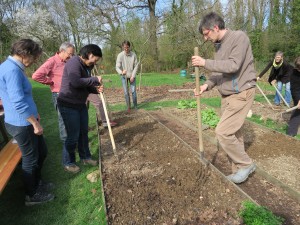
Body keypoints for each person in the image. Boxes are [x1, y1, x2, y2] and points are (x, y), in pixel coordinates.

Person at [191, 12, 256, 184]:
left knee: (222, 132)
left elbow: (233, 65)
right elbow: (219, 72)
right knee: (235, 133)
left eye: (206, 34)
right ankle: (238, 171)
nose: (206, 38)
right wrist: (206, 85)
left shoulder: (239, 38)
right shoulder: (219, 46)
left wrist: (205, 62)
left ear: (215, 28)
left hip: (241, 92)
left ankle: (246, 164)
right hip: (226, 96)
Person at [0, 39, 54, 205]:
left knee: (41, 152)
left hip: (25, 120)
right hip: (22, 123)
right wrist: (34, 122)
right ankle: (32, 195)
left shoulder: (11, 67)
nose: (34, 61)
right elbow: (17, 101)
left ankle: (37, 184)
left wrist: (34, 115)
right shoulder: (12, 70)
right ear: (25, 54)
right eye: (34, 57)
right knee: (30, 158)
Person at [57, 44, 103, 173]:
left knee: (83, 132)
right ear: (90, 55)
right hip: (68, 104)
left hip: (80, 103)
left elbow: (85, 85)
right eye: (96, 59)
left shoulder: (87, 66)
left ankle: (85, 157)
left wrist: (96, 89)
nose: (96, 62)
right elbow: (76, 82)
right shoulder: (73, 63)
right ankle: (68, 162)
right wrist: (94, 79)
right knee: (72, 135)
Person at [116, 40, 139, 111]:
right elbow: (117, 66)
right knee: (126, 92)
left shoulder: (133, 55)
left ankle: (135, 106)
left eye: (127, 47)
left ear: (129, 47)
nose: (126, 49)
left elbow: (136, 66)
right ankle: (128, 107)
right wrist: (121, 72)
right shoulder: (120, 55)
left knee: (133, 91)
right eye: (125, 47)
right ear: (123, 47)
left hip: (132, 76)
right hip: (124, 76)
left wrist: (133, 76)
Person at [287, 57, 300, 136]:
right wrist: (298, 100)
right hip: (298, 94)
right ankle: (291, 134)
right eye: (298, 69)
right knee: (297, 111)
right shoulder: (294, 74)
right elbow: (295, 90)